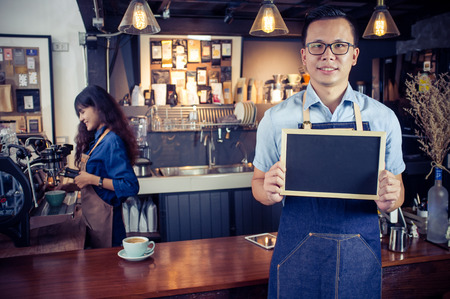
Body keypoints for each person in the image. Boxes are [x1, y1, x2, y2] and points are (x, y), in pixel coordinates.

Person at [251, 5, 405, 298]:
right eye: (318, 46)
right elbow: (257, 185)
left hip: (360, 256)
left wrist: (390, 198)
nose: (328, 55)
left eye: (339, 46)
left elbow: (398, 193)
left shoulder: (384, 118)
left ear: (354, 55)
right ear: (304, 55)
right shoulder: (275, 118)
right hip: (297, 254)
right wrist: (268, 191)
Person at [73, 85, 139, 248]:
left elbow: (130, 186)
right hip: (95, 223)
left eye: (82, 111)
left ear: (97, 106)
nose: (81, 118)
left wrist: (92, 179)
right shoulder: (98, 139)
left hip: (108, 226)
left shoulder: (111, 141)